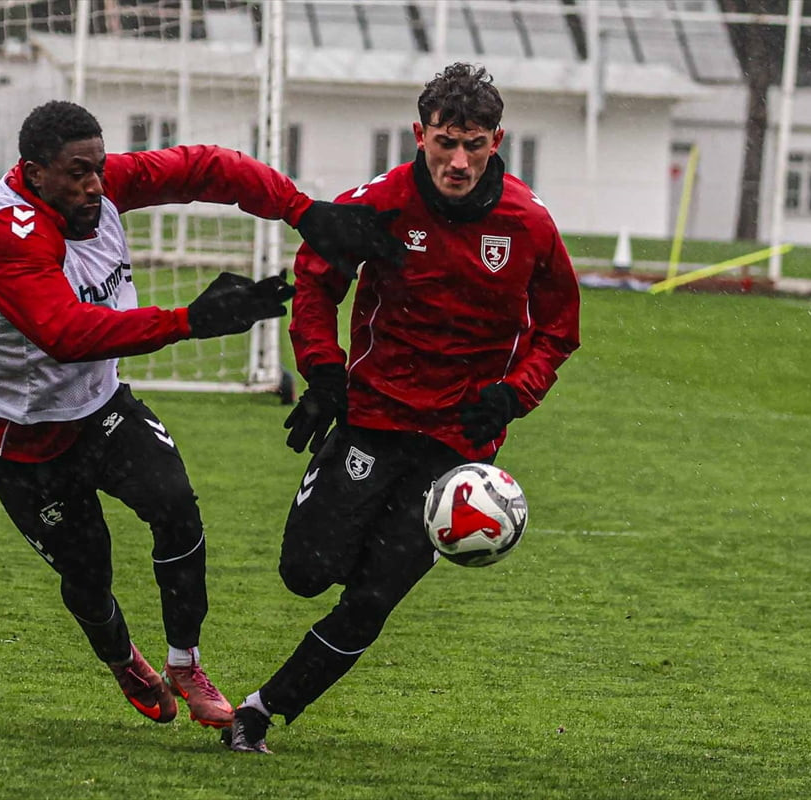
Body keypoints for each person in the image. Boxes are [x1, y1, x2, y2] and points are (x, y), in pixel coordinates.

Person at [0, 100, 404, 730]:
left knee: (175, 504)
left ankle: (184, 664)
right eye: (77, 173)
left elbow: (205, 168)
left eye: (99, 168)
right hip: (20, 436)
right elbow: (65, 331)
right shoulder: (8, 237)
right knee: (88, 573)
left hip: (99, 407)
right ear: (34, 174)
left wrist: (303, 211)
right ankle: (121, 659)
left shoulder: (101, 185)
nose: (94, 185)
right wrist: (189, 322)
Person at [223, 63, 581, 753]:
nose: (458, 160)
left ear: (496, 140)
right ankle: (370, 551)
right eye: (445, 141)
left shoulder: (529, 225)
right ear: (419, 134)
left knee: (373, 599)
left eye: (474, 144)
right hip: (375, 419)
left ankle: (260, 714)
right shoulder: (380, 204)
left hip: (458, 447)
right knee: (305, 573)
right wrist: (323, 371)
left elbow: (559, 326)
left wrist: (515, 394)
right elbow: (315, 279)